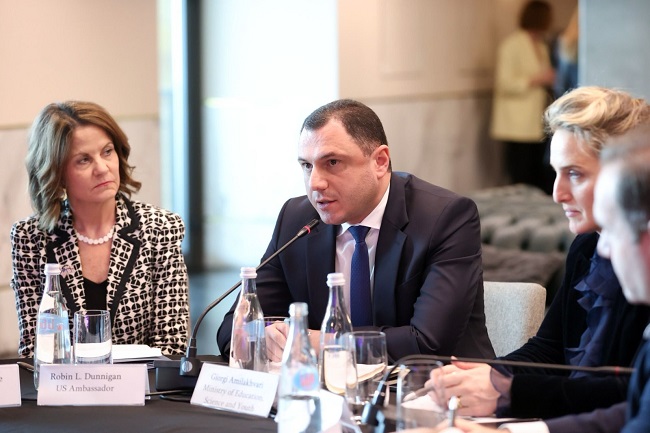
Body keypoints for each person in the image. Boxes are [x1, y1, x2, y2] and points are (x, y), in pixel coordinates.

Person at [217, 99, 495, 363]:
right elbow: (232, 329)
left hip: (438, 388)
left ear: (380, 161)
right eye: (307, 166)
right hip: (327, 389)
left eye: (332, 163)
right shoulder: (297, 219)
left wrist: (316, 342)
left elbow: (426, 343)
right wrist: (261, 337)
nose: (315, 183)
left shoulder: (445, 218)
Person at [430, 87, 650, 420]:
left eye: (574, 173)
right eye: (556, 172)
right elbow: (549, 349)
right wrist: (487, 375)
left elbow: (629, 396)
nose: (557, 193)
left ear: (623, 175)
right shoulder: (587, 245)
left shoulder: (641, 266)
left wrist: (508, 391)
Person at [11, 101, 190, 357]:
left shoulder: (160, 228)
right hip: (64, 382)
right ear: (57, 173)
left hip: (143, 381)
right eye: (84, 160)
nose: (102, 168)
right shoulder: (30, 237)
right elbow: (33, 349)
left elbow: (172, 347)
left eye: (107, 152)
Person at [490, 0, 556, 194]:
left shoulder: (541, 46)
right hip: (517, 123)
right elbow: (504, 83)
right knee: (521, 174)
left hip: (537, 120)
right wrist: (536, 79)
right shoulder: (511, 45)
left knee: (538, 173)